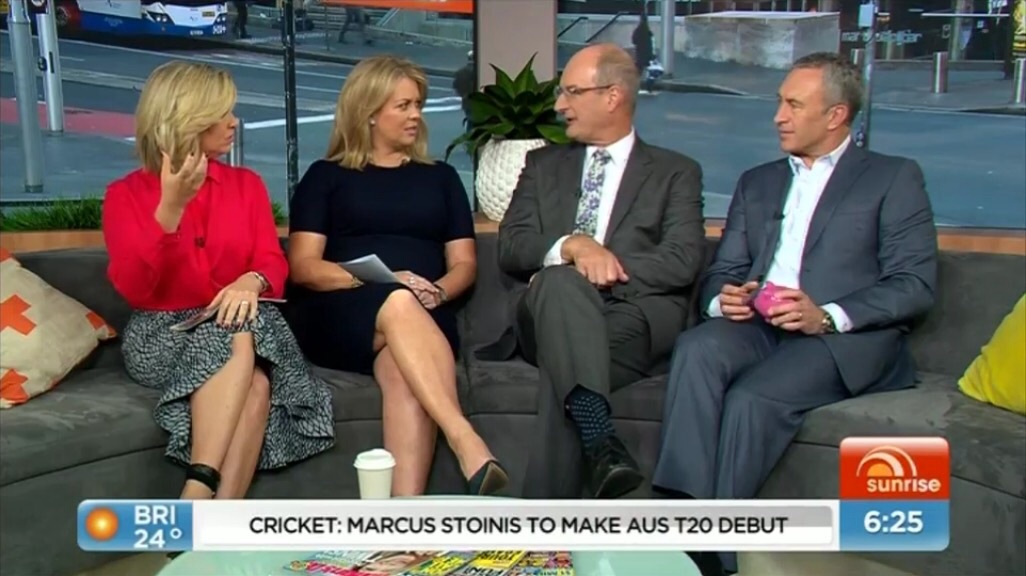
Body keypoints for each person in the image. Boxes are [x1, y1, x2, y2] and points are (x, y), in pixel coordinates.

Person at [652, 52, 937, 576]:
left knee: (751, 398)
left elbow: (914, 285)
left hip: (839, 338)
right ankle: (682, 521)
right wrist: (722, 298)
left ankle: (718, 558)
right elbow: (724, 270)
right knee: (697, 349)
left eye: (793, 105)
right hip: (760, 326)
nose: (778, 116)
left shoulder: (892, 177)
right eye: (779, 102)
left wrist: (825, 315)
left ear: (836, 115)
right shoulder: (757, 182)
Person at [101, 61, 335, 537]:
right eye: (222, 114)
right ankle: (201, 487)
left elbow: (272, 262)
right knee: (239, 340)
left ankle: (209, 530)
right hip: (163, 334)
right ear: (188, 119)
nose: (234, 123)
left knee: (254, 376)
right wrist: (170, 210)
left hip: (243, 325)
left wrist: (252, 280)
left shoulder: (246, 185)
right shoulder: (125, 195)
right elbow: (135, 288)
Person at [285, 55, 507, 498]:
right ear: (369, 112)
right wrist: (381, 283)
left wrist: (437, 292)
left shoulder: (441, 178)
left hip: (423, 311)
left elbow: (464, 264)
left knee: (406, 375)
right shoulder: (326, 177)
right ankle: (465, 438)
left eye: (418, 105)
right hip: (341, 309)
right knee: (397, 300)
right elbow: (304, 266)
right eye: (403, 105)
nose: (415, 115)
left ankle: (402, 519)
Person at [490, 43, 705, 500]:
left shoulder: (675, 172)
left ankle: (550, 518)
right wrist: (572, 246)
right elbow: (511, 246)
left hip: (631, 317)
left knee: (564, 367)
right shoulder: (542, 165)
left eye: (572, 92)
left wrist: (602, 264)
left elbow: (682, 258)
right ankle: (599, 438)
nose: (559, 105)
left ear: (612, 96)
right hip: (546, 310)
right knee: (559, 281)